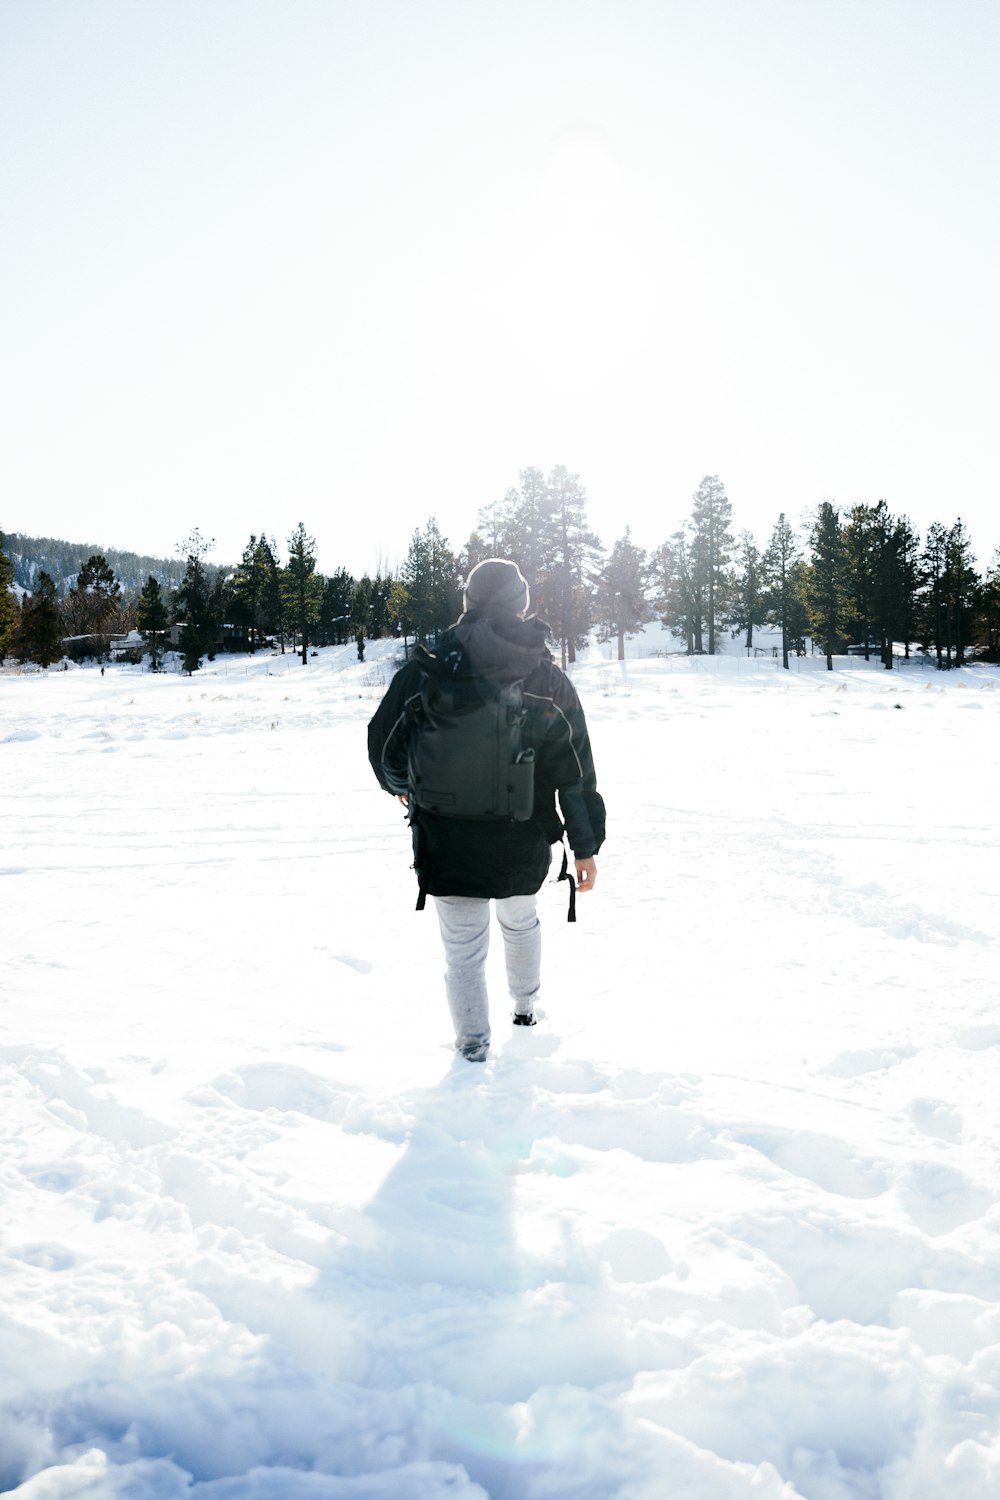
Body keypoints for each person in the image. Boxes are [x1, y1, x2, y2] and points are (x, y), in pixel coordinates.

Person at [367, 558, 605, 1062]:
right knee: (521, 922)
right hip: (521, 836)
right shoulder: (545, 676)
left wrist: (403, 788)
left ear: (467, 605)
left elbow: (382, 745)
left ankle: (473, 1048)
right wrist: (584, 847)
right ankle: (525, 1009)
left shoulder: (426, 669)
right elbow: (574, 770)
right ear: (522, 604)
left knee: (463, 951)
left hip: (445, 837)